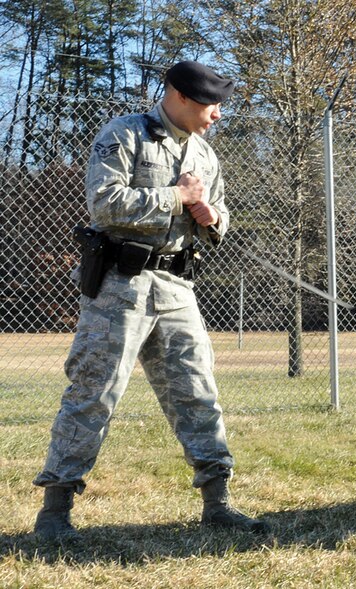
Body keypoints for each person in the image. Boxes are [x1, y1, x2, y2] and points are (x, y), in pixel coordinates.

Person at [33, 60, 270, 540]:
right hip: (120, 286)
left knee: (198, 392)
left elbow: (218, 216)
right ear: (180, 96)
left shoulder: (204, 154)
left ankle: (217, 503)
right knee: (93, 392)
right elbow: (103, 202)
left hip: (178, 287)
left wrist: (210, 216)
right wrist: (174, 196)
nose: (218, 115)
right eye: (211, 105)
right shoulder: (125, 135)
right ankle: (54, 513)